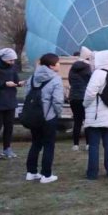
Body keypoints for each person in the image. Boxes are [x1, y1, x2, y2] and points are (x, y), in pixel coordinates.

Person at [24, 53, 64, 183]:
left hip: (34, 116)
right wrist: (57, 114)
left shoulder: (32, 77)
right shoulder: (56, 79)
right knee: (48, 145)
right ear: (52, 66)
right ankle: (46, 175)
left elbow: (27, 95)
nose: (59, 64)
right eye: (57, 63)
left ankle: (31, 172)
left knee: (35, 143)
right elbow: (58, 100)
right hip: (48, 117)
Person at [83, 50, 108, 180]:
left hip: (96, 115)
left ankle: (92, 173)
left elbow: (89, 93)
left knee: (93, 145)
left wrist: (85, 104)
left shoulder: (98, 74)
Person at [68, 47, 93, 151]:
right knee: (87, 121)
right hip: (84, 96)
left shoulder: (73, 68)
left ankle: (75, 145)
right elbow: (91, 82)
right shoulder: (88, 68)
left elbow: (70, 81)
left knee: (77, 121)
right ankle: (88, 144)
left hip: (74, 97)